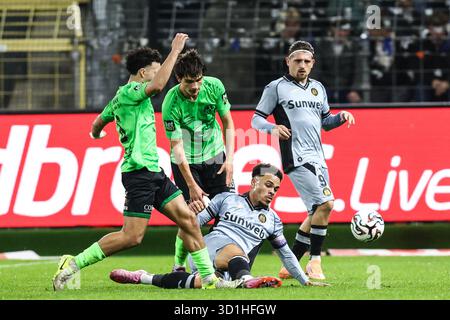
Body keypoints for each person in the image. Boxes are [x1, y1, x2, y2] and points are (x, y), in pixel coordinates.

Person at [52, 34, 241, 291]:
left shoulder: (118, 99)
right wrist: (175, 51)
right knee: (132, 237)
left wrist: (97, 133)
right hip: (138, 173)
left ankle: (209, 280)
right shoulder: (132, 92)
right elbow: (157, 87)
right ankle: (73, 262)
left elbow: (98, 122)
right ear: (143, 73)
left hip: (154, 172)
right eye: (156, 69)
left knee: (188, 219)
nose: (161, 72)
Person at [109, 163, 328, 289]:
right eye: (268, 185)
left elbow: (286, 255)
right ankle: (245, 280)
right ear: (254, 182)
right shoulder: (226, 199)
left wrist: (304, 281)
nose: (272, 191)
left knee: (199, 284)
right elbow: (190, 225)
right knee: (230, 247)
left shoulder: (273, 220)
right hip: (207, 252)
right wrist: (179, 259)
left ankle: (142, 277)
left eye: (276, 189)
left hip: (230, 267)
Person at [251, 40, 355, 280]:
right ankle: (315, 261)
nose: (302, 65)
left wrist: (341, 117)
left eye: (307, 61)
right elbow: (256, 119)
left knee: (316, 211)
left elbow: (325, 122)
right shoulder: (276, 87)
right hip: (296, 157)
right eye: (297, 60)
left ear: (313, 64)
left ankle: (290, 265)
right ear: (288, 61)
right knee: (327, 204)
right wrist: (272, 128)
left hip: (318, 158)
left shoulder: (318, 88)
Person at [161, 48, 235, 271]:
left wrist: (230, 159)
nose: (195, 87)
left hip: (216, 157)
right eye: (189, 82)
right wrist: (192, 185)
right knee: (191, 216)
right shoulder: (170, 104)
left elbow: (228, 122)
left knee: (227, 212)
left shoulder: (214, 86)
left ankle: (220, 259)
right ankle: (179, 265)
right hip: (187, 163)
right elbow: (177, 148)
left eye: (198, 80)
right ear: (178, 79)